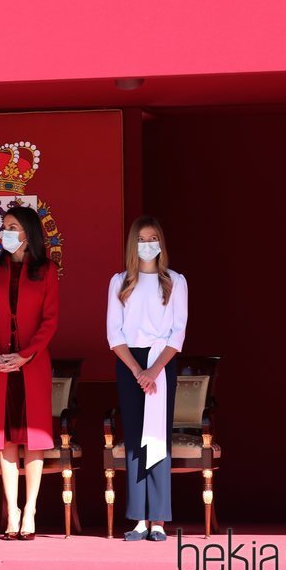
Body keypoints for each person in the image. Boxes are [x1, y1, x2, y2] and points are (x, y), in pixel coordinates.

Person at [0, 205, 59, 540]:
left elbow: (49, 321)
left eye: (12, 227)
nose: (5, 232)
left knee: (33, 441)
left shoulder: (46, 270)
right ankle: (12, 511)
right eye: (4, 227)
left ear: (28, 233)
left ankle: (31, 510)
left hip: (31, 365)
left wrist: (24, 356)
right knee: (5, 441)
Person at [106, 215, 188, 542]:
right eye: (141, 239)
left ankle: (159, 519)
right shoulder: (120, 282)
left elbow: (178, 331)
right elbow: (114, 333)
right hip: (130, 364)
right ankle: (139, 517)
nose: (147, 244)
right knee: (135, 439)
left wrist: (154, 370)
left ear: (161, 243)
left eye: (153, 238)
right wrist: (137, 370)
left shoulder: (175, 281)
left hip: (161, 361)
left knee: (158, 438)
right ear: (132, 244)